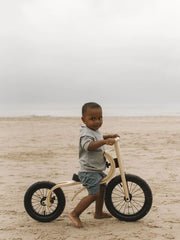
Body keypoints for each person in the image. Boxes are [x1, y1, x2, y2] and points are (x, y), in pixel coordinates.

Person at [69, 102, 119, 228]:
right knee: (94, 194)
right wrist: (104, 142)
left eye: (100, 118)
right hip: (88, 171)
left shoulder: (94, 130)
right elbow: (89, 146)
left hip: (96, 169)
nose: (97, 121)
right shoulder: (85, 133)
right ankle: (74, 214)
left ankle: (98, 213)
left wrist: (109, 136)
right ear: (83, 119)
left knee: (103, 188)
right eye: (92, 119)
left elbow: (99, 137)